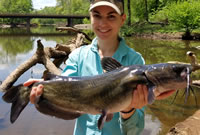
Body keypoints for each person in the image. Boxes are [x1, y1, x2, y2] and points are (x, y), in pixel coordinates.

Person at [24, 0, 175, 135]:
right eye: (97, 15)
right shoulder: (77, 56)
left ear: (122, 19)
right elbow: (64, 87)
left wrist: (129, 110)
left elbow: (134, 131)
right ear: (90, 17)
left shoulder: (136, 61)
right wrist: (44, 93)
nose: (103, 23)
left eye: (111, 16)